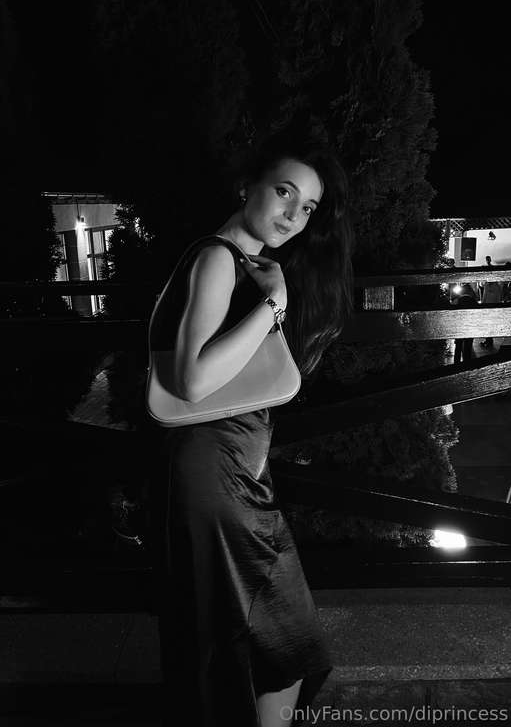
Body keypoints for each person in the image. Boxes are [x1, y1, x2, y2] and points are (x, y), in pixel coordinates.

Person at [146, 128, 354, 727]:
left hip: (230, 470)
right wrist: (273, 306)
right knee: (277, 642)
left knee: (266, 640)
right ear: (247, 186)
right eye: (284, 192)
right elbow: (192, 381)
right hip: (213, 472)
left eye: (307, 207)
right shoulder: (218, 258)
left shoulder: (246, 262)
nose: (293, 215)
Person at [478, 256, 503, 349]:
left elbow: (497, 298)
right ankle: (488, 340)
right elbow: (484, 296)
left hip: (492, 308)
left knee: (490, 324)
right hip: (487, 307)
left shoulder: (496, 287)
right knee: (487, 324)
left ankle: (489, 341)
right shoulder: (487, 285)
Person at [452, 283, 477, 364]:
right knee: (468, 347)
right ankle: (467, 364)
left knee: (458, 347)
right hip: (470, 327)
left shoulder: (457, 301)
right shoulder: (473, 301)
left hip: (459, 327)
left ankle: (456, 364)